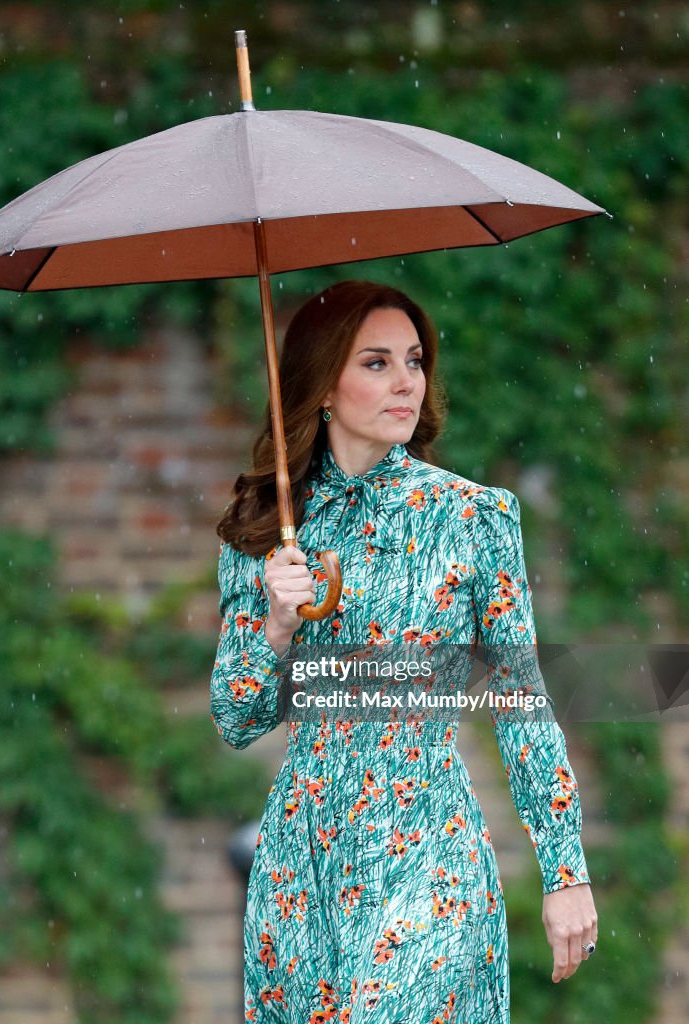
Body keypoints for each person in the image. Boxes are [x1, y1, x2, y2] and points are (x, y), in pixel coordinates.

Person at [210, 280, 598, 1024]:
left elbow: (519, 697)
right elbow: (236, 718)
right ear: (323, 382)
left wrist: (564, 869)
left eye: (413, 361)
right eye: (376, 362)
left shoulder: (473, 518)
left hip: (428, 845)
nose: (405, 382)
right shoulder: (260, 530)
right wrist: (275, 627)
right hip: (302, 866)